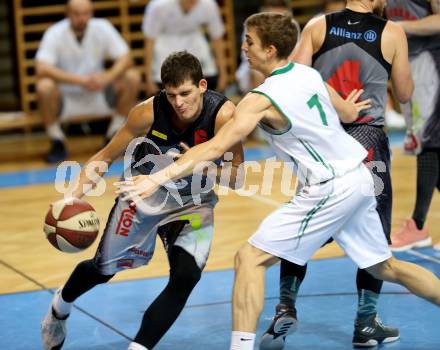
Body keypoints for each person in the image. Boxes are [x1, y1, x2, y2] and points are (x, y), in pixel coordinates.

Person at [115, 12, 440, 350]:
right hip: (358, 178)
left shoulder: (261, 99)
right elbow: (347, 113)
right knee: (386, 266)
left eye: (249, 41)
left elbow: (214, 146)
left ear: (269, 50)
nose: (243, 47)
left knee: (249, 259)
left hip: (331, 186)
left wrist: (158, 178)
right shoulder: (308, 73)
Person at [40, 51, 244, 350]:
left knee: (186, 276)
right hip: (143, 197)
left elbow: (237, 178)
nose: (179, 103)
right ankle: (59, 308)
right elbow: (105, 156)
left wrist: (200, 165)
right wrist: (71, 198)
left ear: (202, 85)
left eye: (186, 93)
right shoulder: (146, 112)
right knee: (103, 270)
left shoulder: (224, 114)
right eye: (172, 94)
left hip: (193, 202)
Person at [260, 0, 414, 348]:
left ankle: (285, 305)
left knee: (306, 223)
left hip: (326, 142)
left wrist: (334, 100)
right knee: (375, 236)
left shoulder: (318, 25)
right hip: (367, 140)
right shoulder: (392, 32)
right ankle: (366, 323)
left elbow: (292, 79)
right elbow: (404, 93)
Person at [35, 0, 140, 163]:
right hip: (67, 98)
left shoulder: (102, 27)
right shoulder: (55, 32)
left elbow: (126, 58)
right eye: (77, 14)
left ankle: (113, 134)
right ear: (68, 14)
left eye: (86, 13)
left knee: (132, 77)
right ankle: (57, 140)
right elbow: (41, 68)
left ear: (91, 13)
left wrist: (108, 77)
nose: (82, 18)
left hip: (99, 93)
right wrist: (79, 81)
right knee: (44, 86)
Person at [386, 0, 440, 251]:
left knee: (427, 144)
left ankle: (418, 225)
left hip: (432, 61)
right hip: (411, 65)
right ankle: (418, 227)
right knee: (428, 145)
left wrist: (400, 27)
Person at [142, 0, 228, 96]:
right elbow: (149, 40)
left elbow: (217, 37)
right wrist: (148, 78)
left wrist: (223, 74)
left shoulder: (209, 5)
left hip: (196, 46)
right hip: (165, 48)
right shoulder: (158, 6)